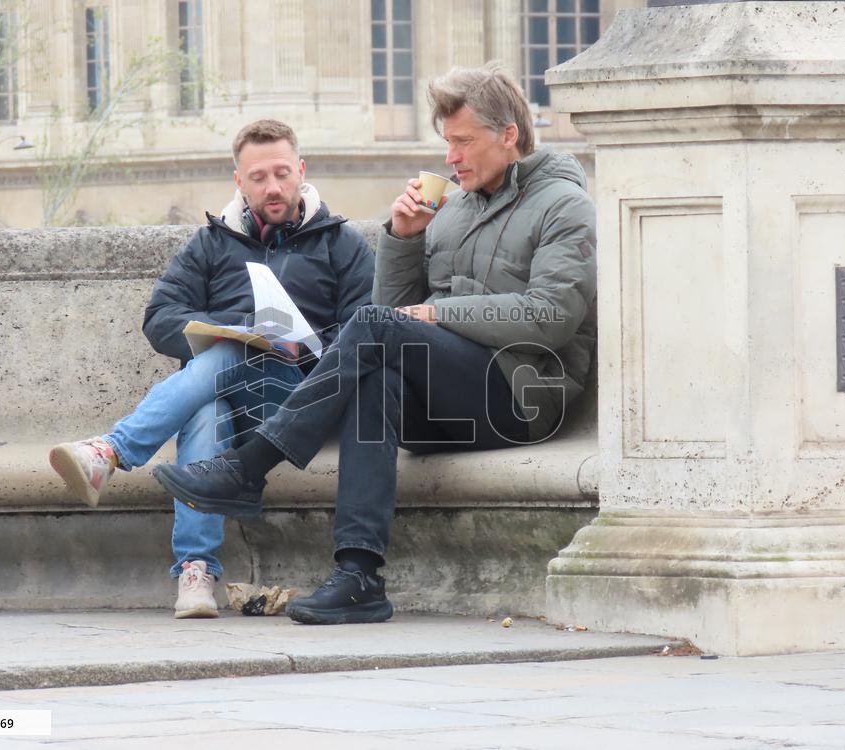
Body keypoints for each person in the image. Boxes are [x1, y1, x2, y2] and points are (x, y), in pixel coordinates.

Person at [153, 64, 597, 626]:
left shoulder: (564, 204)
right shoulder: (453, 207)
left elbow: (551, 317)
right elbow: (390, 314)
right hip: (451, 401)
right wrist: (403, 241)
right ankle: (360, 575)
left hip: (520, 397)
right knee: (374, 377)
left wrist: (438, 311)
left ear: (509, 134)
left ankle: (249, 467)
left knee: (375, 333)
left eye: (463, 142)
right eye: (446, 144)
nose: (451, 158)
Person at [48, 119, 375, 619]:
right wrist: (234, 326)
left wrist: (305, 348)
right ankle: (196, 574)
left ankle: (112, 452)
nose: (273, 187)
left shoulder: (340, 244)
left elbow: (365, 329)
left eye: (282, 173)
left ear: (301, 171)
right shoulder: (210, 244)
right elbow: (160, 318)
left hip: (302, 398)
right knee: (211, 398)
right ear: (238, 181)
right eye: (259, 176)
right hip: (229, 396)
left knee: (221, 371)